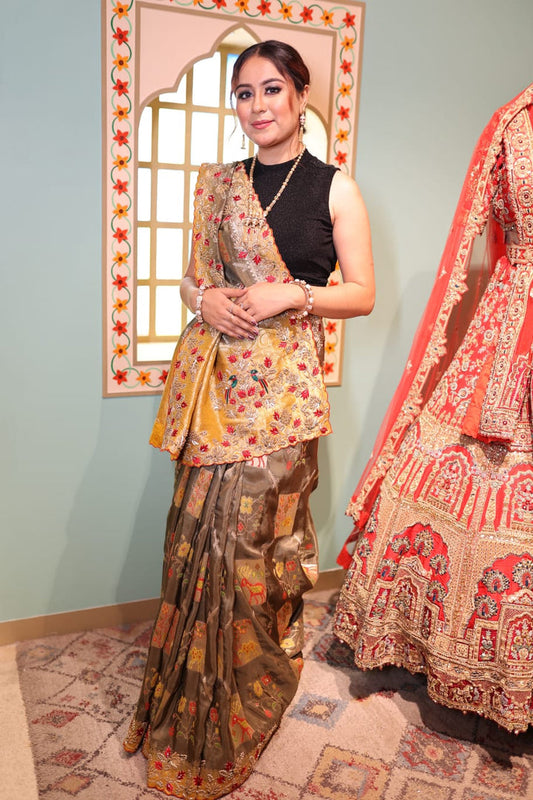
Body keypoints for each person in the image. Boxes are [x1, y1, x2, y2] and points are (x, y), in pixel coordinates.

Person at [123, 40, 374, 799]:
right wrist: (201, 299)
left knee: (257, 552)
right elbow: (191, 275)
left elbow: (359, 293)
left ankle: (253, 684)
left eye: (271, 89)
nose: (257, 106)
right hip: (211, 392)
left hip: (282, 398)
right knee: (193, 543)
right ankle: (189, 691)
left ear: (299, 95)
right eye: (244, 93)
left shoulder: (335, 189)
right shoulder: (218, 186)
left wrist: (289, 295)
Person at [335, 83, 533, 733]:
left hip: (506, 322)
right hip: (503, 333)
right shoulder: (513, 121)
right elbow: (470, 248)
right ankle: (431, 654)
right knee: (446, 480)